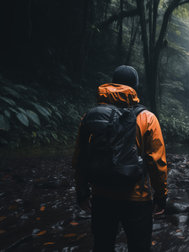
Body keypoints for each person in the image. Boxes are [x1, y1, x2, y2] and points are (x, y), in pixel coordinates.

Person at [72, 65, 167, 252]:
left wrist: (82, 191)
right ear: (135, 88)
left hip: (101, 195)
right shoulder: (147, 118)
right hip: (137, 199)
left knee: (102, 246)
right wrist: (161, 195)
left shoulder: (91, 117)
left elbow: (80, 157)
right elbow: (157, 162)